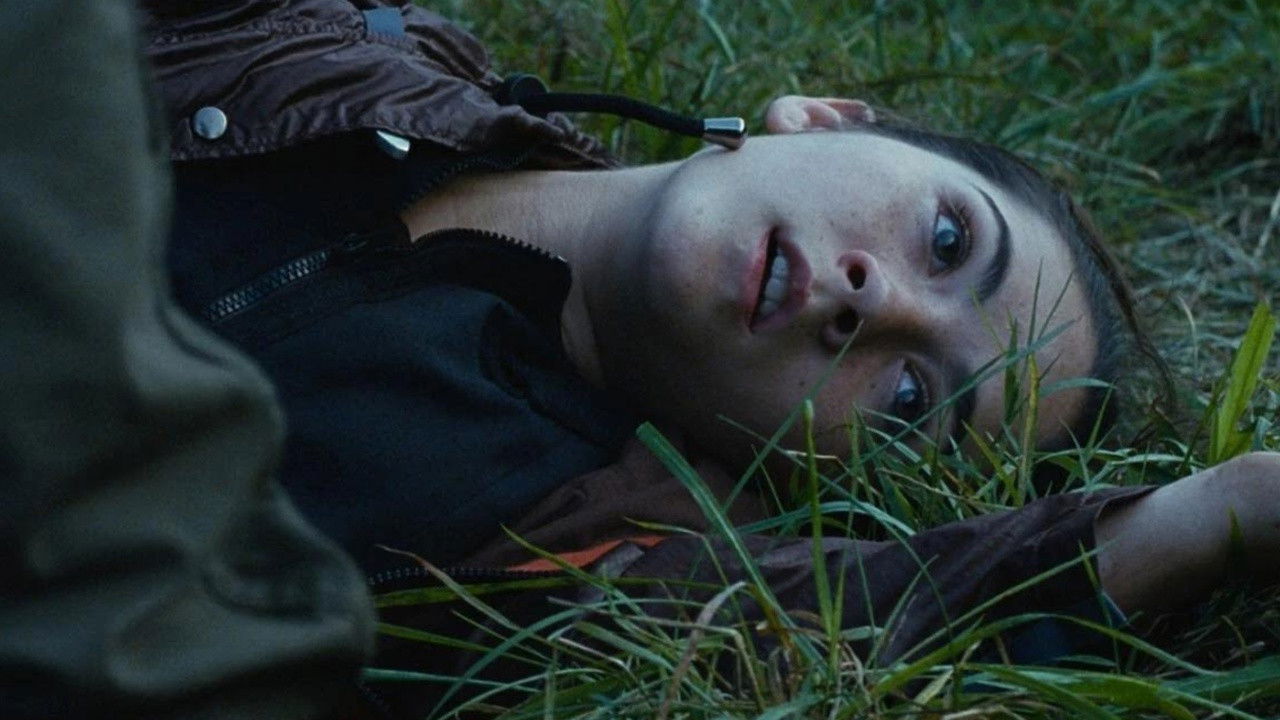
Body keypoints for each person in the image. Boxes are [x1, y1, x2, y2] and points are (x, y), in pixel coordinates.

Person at [2, 1, 1276, 718]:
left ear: (800, 480)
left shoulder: (563, 526)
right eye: (946, 241)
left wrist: (1215, 513)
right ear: (828, 118)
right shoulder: (354, 53)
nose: (875, 303)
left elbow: (829, 613)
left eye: (908, 401)